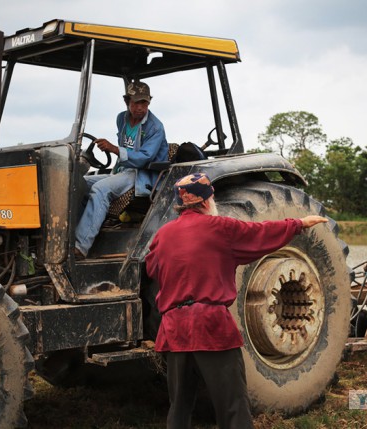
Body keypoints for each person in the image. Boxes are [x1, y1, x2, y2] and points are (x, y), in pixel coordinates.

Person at [145, 173, 328, 429]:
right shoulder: (220, 228)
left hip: (174, 330)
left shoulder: (162, 236)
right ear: (207, 201)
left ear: (181, 203)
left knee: (179, 407)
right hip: (210, 328)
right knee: (232, 407)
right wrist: (298, 223)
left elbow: (153, 268)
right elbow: (261, 233)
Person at [74, 81, 169, 259]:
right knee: (80, 183)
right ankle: (73, 235)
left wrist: (115, 149)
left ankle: (80, 246)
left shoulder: (156, 127)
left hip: (143, 174)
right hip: (123, 170)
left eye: (144, 103)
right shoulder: (122, 119)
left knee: (100, 189)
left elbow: (144, 158)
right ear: (127, 101)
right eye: (136, 103)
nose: (140, 107)